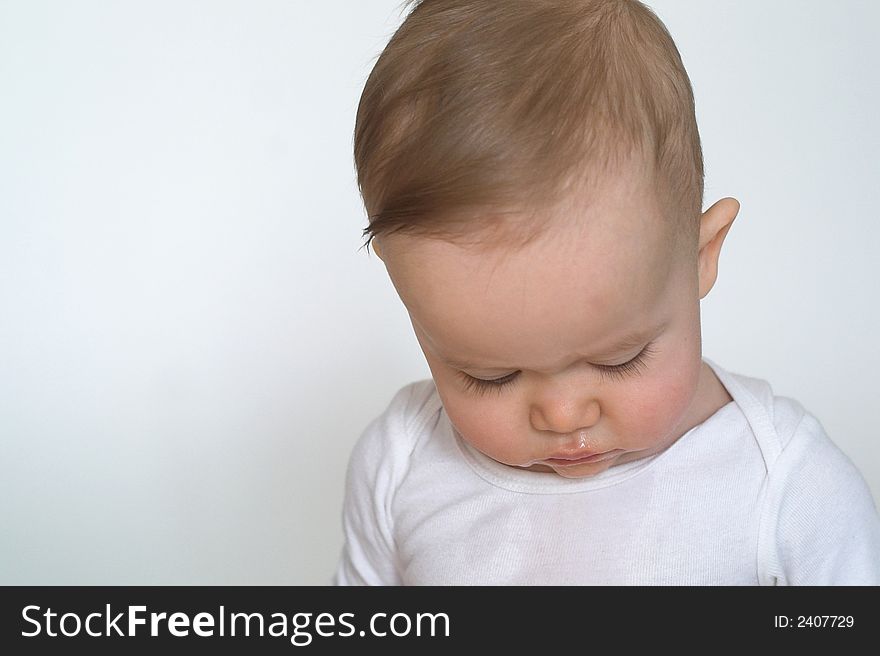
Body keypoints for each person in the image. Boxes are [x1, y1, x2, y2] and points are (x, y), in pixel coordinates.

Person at [333, 0, 880, 585]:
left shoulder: (787, 488)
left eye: (619, 360)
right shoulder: (402, 466)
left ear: (700, 257)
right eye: (490, 376)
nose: (563, 415)